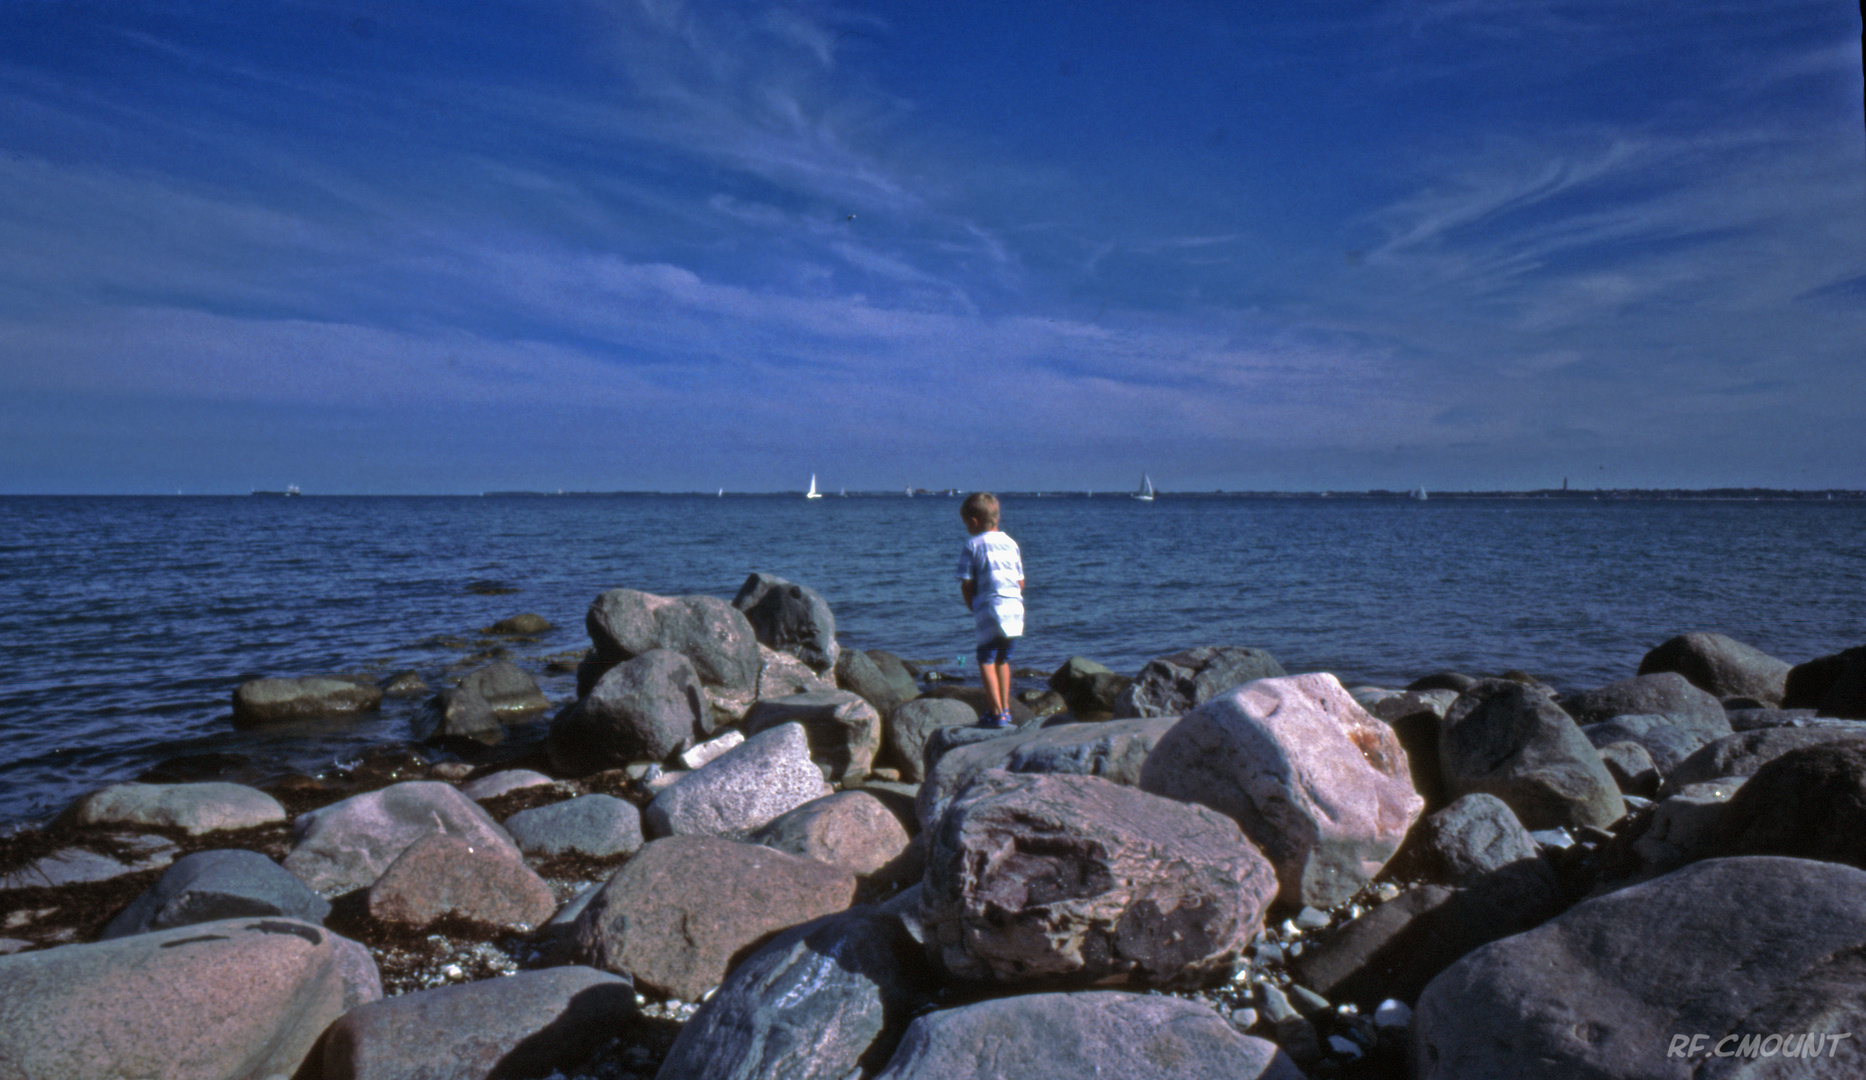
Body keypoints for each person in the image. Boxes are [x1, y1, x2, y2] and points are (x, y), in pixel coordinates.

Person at [957, 492, 1024, 728]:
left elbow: (966, 583)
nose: (966, 528)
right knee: (1003, 660)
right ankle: (1005, 709)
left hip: (990, 607)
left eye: (966, 523)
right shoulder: (1011, 543)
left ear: (974, 521)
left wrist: (973, 607)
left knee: (985, 660)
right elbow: (1020, 583)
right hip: (1015, 609)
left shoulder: (972, 545)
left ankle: (996, 714)